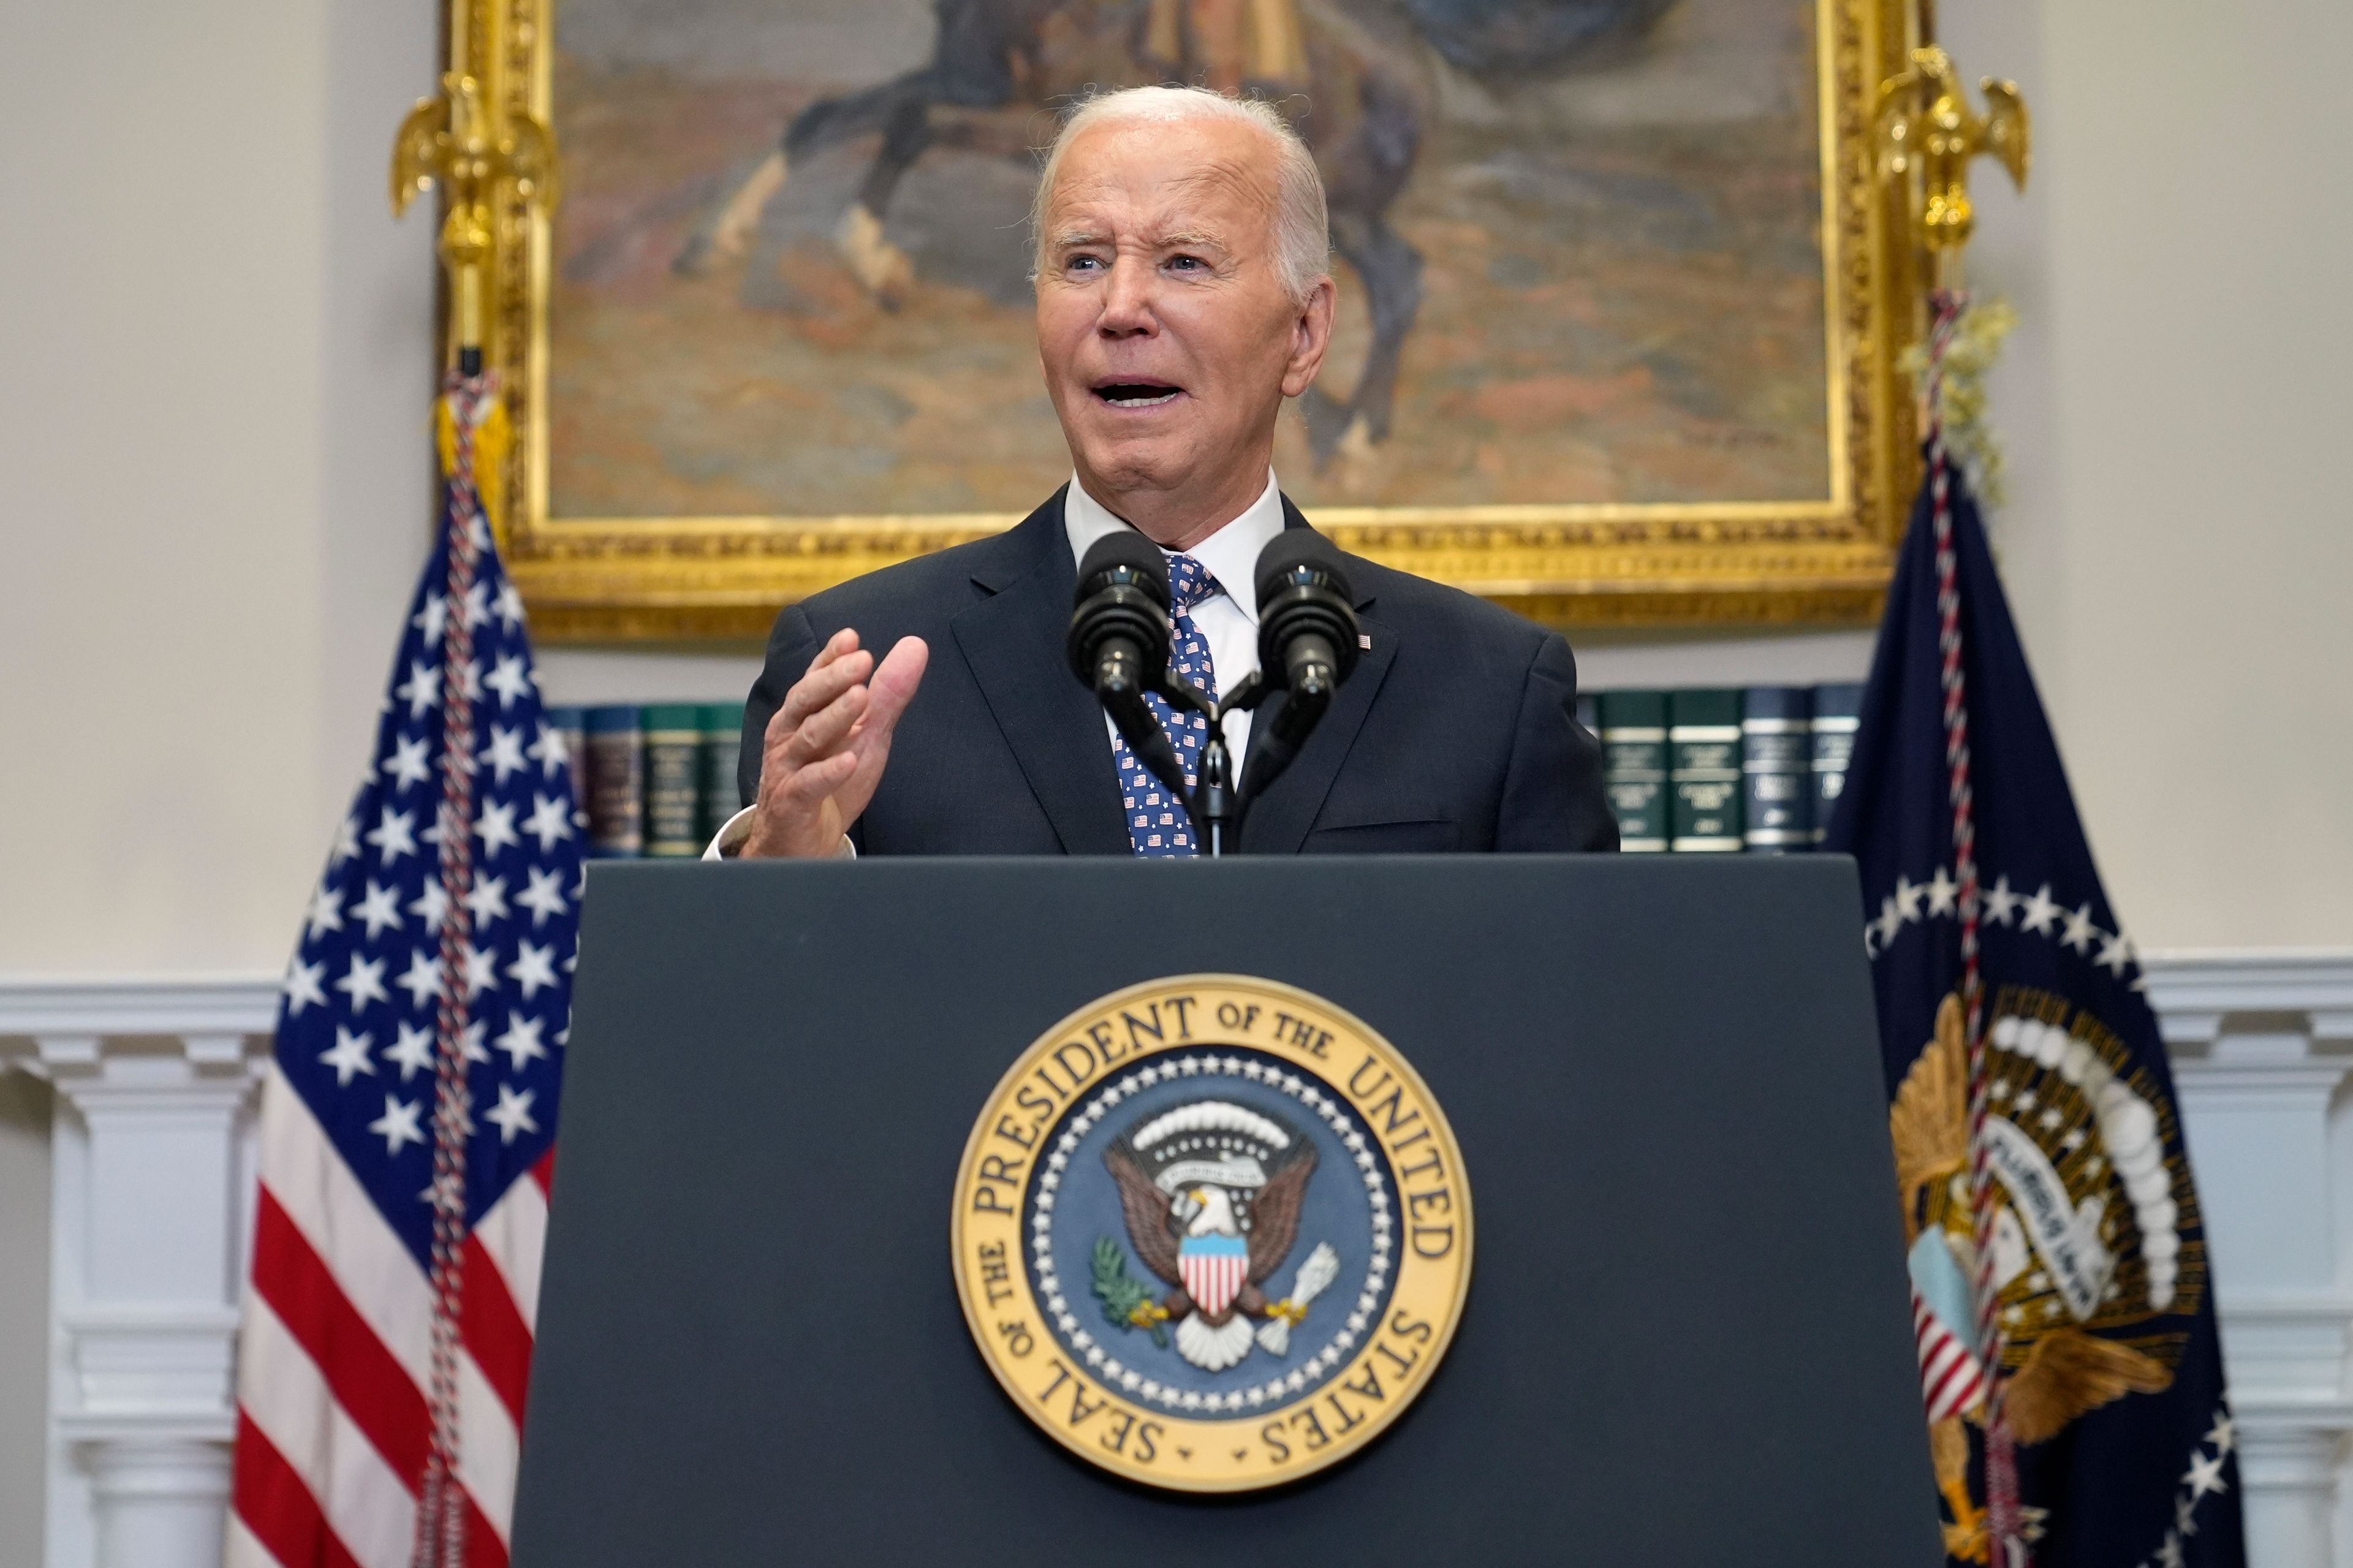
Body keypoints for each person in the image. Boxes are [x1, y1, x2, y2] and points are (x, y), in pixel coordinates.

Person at [708, 85, 1615, 860]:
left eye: (1184, 262)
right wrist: (782, 881)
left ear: (1304, 336)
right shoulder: (860, 673)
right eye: (1083, 261)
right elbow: (747, 1040)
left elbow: (1578, 1029)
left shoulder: (1489, 690)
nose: (1121, 307)